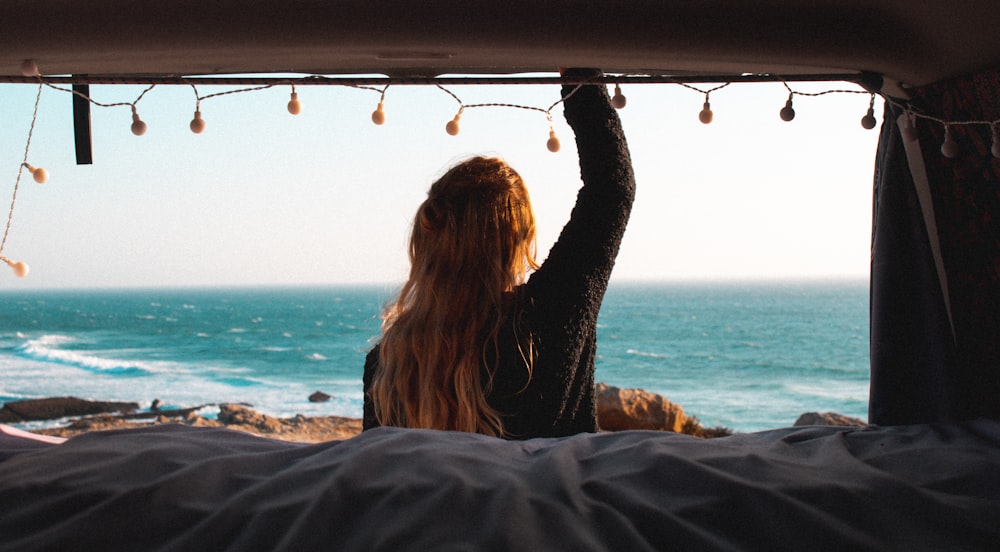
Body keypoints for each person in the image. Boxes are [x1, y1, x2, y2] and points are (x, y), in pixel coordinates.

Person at [363, 71, 635, 439]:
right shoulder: (549, 315)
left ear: (430, 238)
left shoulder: (388, 363)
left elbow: (386, 472)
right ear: (518, 239)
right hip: (549, 498)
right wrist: (579, 73)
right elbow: (612, 188)